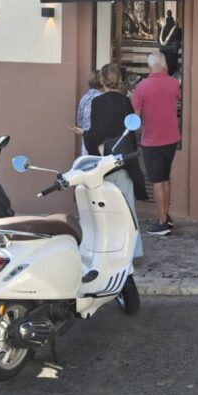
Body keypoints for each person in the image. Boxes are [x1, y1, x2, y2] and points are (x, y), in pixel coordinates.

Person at [73, 63, 147, 256]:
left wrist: (85, 135)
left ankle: (108, 249)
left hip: (105, 162)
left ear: (103, 81)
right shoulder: (125, 101)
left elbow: (97, 134)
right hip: (124, 159)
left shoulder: (98, 103)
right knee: (128, 206)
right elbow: (130, 130)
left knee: (105, 208)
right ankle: (133, 251)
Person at [132, 51, 181, 236]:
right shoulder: (173, 83)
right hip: (171, 138)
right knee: (165, 178)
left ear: (149, 67)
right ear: (164, 65)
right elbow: (176, 98)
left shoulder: (142, 86)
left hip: (152, 140)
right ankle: (166, 216)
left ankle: (162, 222)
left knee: (158, 181)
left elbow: (135, 114)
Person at [74, 70, 102, 155]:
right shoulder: (104, 98)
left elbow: (79, 121)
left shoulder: (84, 98)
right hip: (101, 140)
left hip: (86, 139)